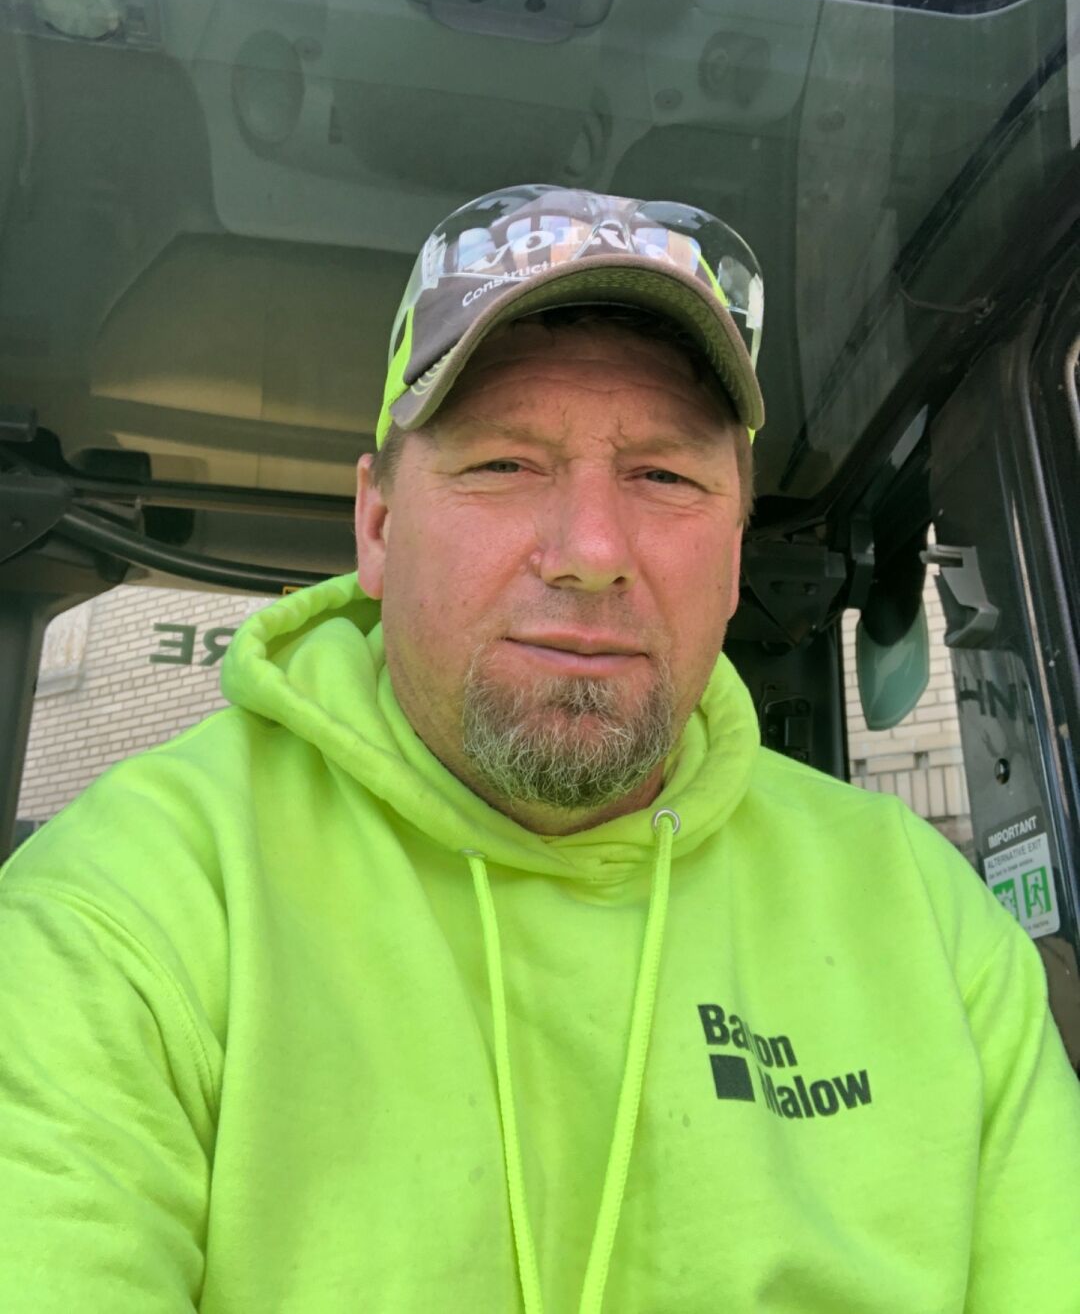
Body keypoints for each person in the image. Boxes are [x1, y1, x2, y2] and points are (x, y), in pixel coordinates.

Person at [1, 184, 1078, 1314]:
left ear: (732, 553)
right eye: (504, 464)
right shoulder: (132, 910)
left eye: (665, 476)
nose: (592, 550)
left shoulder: (931, 926)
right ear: (377, 525)